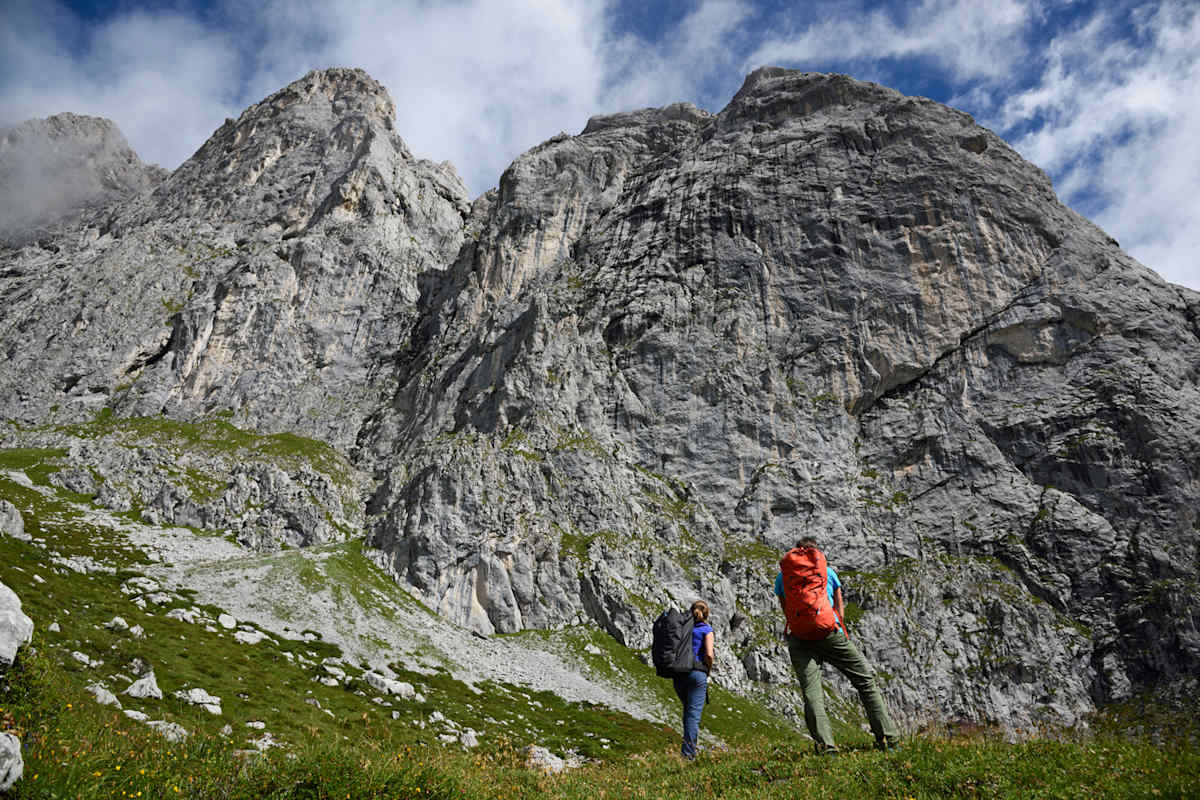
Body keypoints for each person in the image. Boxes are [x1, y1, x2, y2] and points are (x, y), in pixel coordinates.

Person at [775, 537, 900, 753]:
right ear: (816, 554)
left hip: (800, 638)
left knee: (812, 693)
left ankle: (826, 747)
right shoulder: (828, 572)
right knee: (864, 681)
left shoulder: (784, 578)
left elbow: (785, 610)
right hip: (830, 634)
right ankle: (888, 740)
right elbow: (839, 608)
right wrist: (837, 629)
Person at [673, 600, 714, 759]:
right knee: (693, 716)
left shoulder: (683, 628)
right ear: (706, 614)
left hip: (679, 675)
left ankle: (687, 750)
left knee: (688, 713)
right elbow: (709, 655)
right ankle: (688, 756)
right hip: (697, 674)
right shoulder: (707, 630)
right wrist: (707, 671)